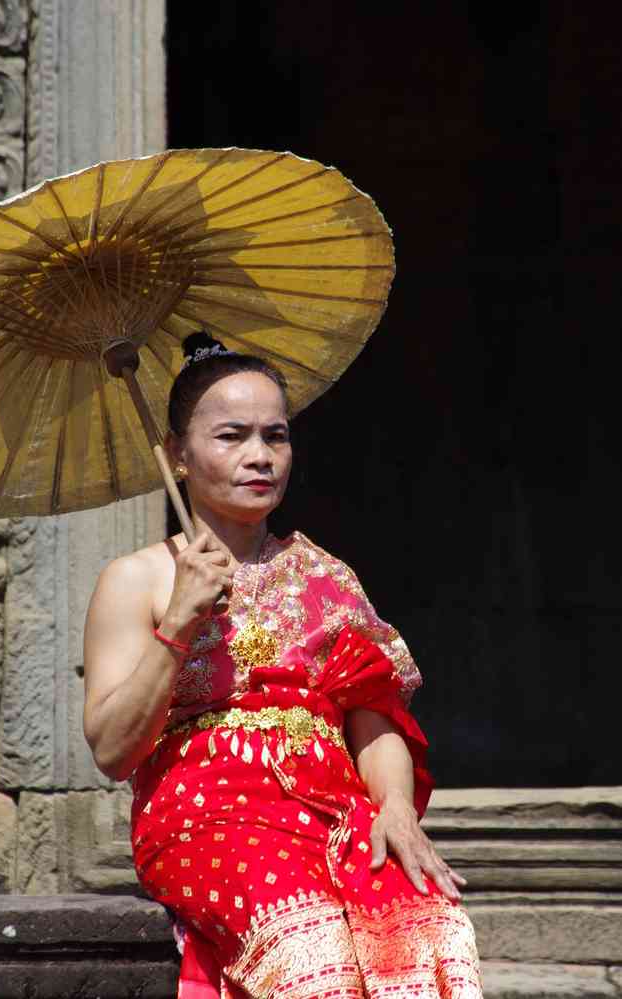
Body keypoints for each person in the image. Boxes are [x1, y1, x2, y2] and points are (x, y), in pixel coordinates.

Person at [83, 332, 483, 999]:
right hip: (209, 812)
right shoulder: (138, 579)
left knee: (432, 932)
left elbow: (372, 713)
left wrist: (395, 807)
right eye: (232, 436)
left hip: (333, 807)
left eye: (276, 435)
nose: (259, 456)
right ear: (178, 453)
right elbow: (112, 749)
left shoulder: (328, 575)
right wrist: (179, 621)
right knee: (309, 943)